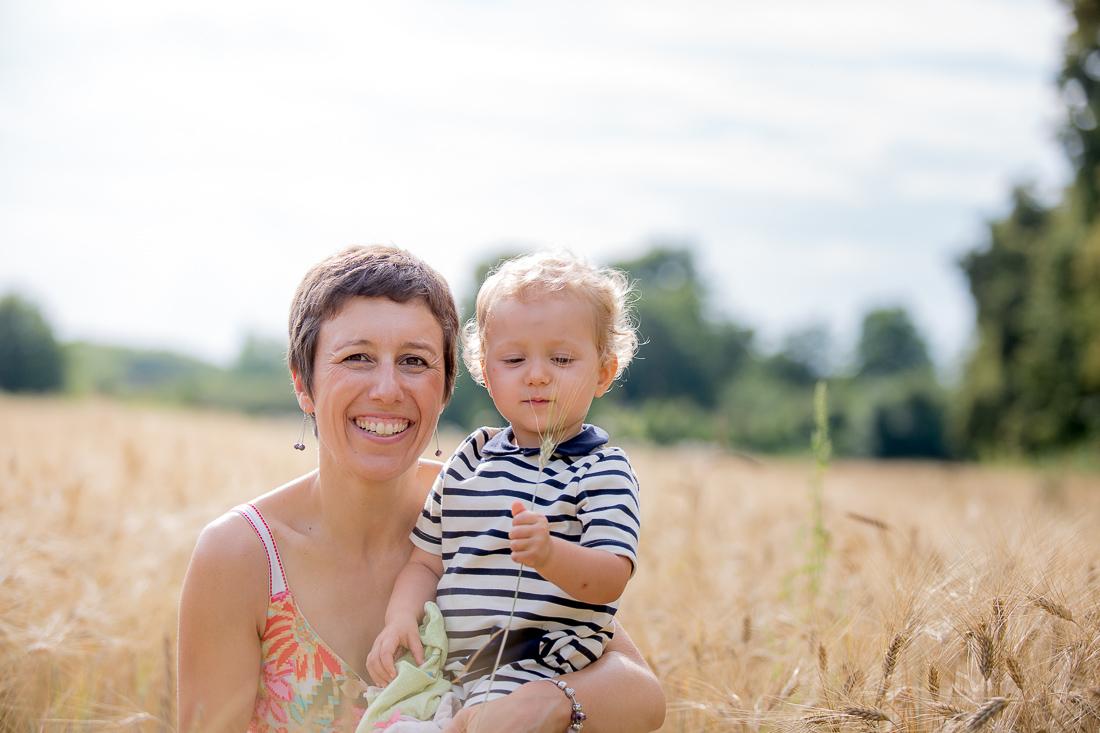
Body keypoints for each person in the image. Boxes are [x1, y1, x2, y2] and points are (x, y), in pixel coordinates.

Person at [177, 245, 665, 733]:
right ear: (303, 382)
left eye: (414, 361)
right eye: (357, 357)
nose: (387, 389)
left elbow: (640, 693)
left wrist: (551, 701)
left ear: (448, 385)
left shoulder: (483, 498)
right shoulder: (240, 556)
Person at [367, 251, 641, 724]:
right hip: (450, 670)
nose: (537, 373)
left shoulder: (601, 470)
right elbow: (426, 561)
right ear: (486, 373)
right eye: (514, 359)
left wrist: (550, 555)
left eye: (561, 358)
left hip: (536, 666)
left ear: (603, 372)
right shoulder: (471, 459)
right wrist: (400, 617)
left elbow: (611, 576)